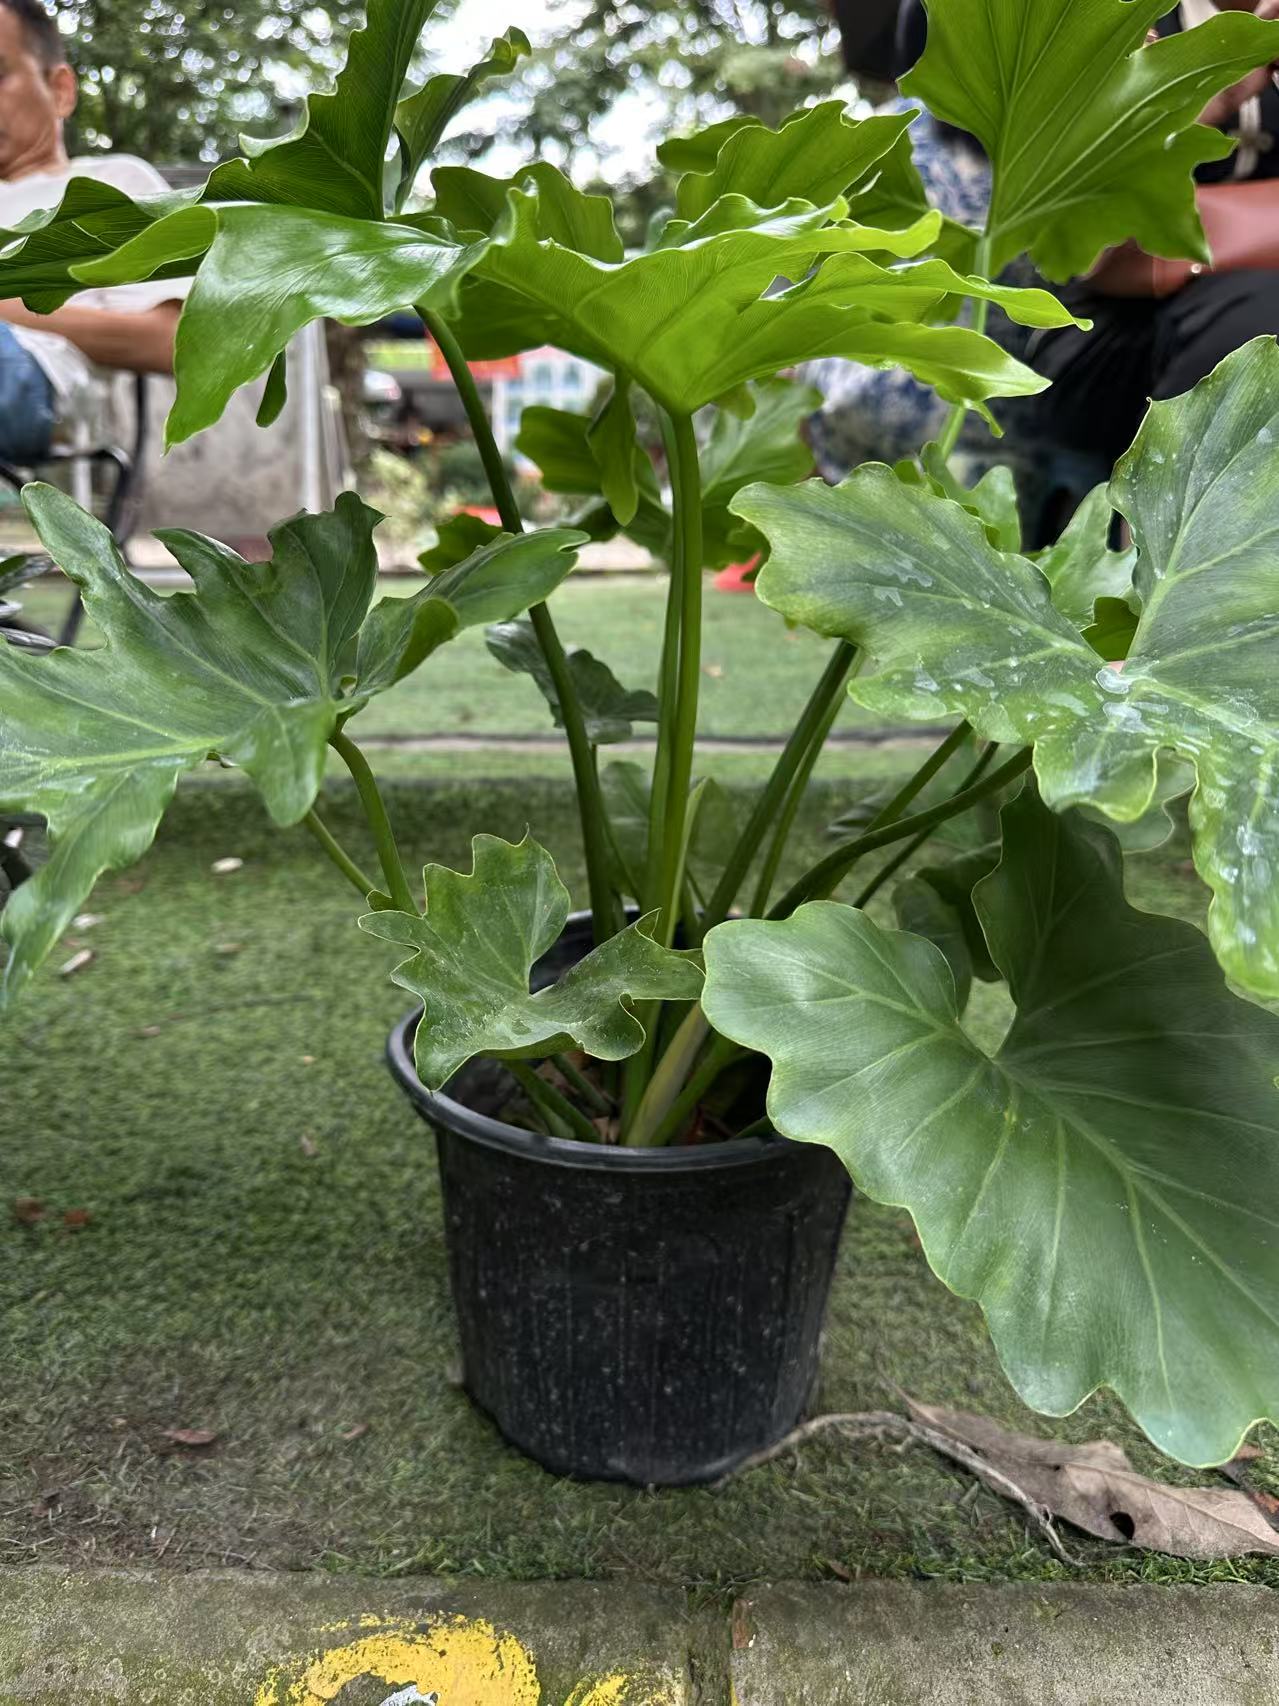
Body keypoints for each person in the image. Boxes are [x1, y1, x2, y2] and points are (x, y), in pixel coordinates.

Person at [894, 0, 1279, 482]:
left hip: (1233, 287)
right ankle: (1162, 524)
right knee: (1259, 330)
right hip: (1109, 328)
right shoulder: (1121, 15)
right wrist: (1201, 97)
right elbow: (1074, 243)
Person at [0, 0, 183, 465]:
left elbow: (174, 340)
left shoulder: (112, 183)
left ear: (59, 89)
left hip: (39, 380)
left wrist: (9, 310)